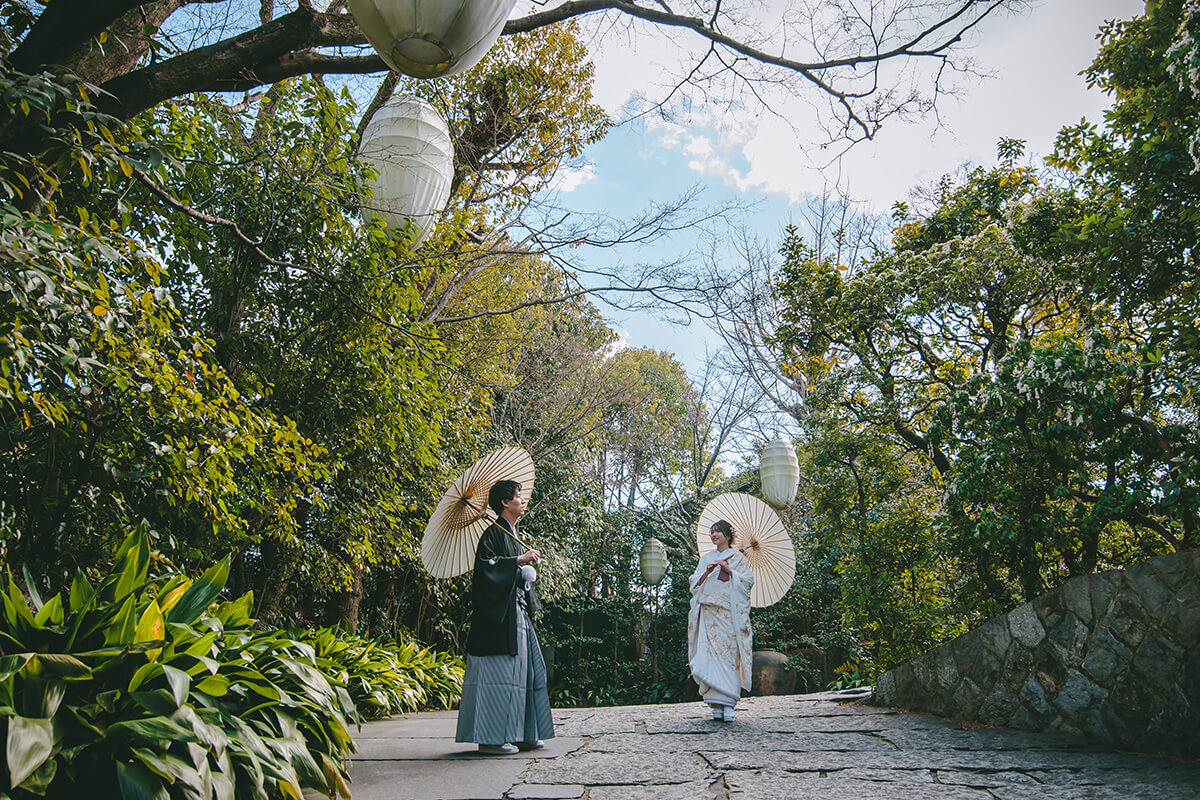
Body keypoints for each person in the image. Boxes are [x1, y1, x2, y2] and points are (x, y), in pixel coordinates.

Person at [455, 479, 555, 754]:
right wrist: (518, 562)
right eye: (518, 496)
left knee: (529, 671)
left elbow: (508, 571)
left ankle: (523, 732)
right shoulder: (493, 534)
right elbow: (485, 571)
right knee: (499, 675)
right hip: (498, 621)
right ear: (504, 502)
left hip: (517, 614)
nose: (523, 500)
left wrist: (524, 577)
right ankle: (491, 739)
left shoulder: (510, 534)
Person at [687, 519, 754, 722]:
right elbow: (694, 584)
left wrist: (729, 569)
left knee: (728, 656)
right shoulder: (706, 558)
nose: (714, 535)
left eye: (718, 532)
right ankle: (716, 704)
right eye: (712, 532)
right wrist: (707, 571)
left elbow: (748, 581)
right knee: (709, 656)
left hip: (727, 614)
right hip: (708, 613)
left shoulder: (738, 558)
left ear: (727, 535)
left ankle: (729, 702)